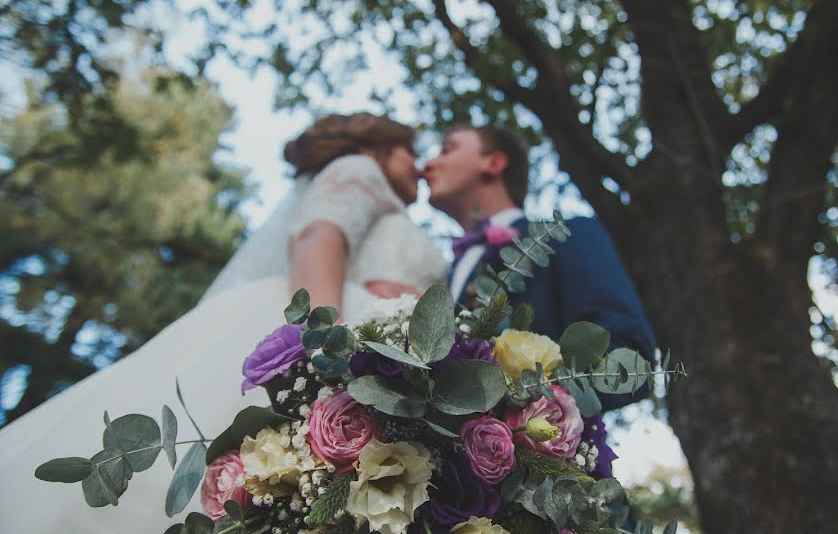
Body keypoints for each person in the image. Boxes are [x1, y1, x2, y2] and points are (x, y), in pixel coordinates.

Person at [0, 112, 447, 532]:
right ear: (379, 148)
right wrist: (326, 357)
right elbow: (319, 237)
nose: (420, 165)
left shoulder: (385, 201)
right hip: (334, 330)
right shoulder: (360, 169)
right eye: (410, 150)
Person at [423, 123, 656, 410]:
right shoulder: (443, 278)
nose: (428, 164)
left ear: (494, 163)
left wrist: (521, 404)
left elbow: (632, 363)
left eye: (448, 149)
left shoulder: (569, 236)